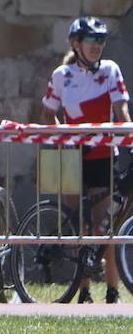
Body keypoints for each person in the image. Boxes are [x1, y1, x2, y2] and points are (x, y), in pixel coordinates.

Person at [41, 15, 130, 304]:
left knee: (106, 223)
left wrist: (128, 140)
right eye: (92, 40)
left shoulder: (110, 70)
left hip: (103, 155)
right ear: (76, 44)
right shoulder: (61, 75)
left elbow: (121, 111)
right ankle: (84, 290)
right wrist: (63, 137)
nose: (97, 46)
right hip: (72, 156)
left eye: (101, 40)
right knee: (80, 223)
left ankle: (113, 289)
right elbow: (47, 113)